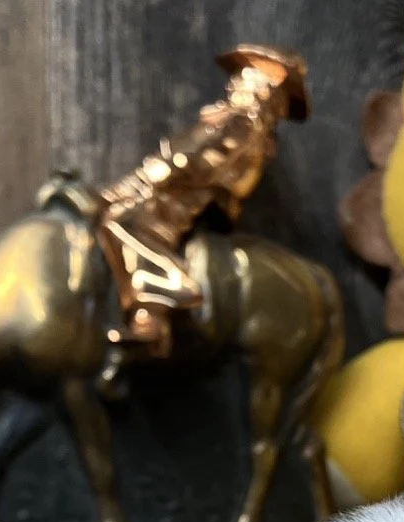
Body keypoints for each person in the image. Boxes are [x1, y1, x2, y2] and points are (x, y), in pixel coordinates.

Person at [93, 44, 310, 398]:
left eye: (250, 79)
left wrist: (167, 169)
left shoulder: (241, 124)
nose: (238, 84)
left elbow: (198, 158)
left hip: (167, 203)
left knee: (122, 228)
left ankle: (152, 316)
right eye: (242, 78)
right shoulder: (233, 121)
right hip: (156, 191)